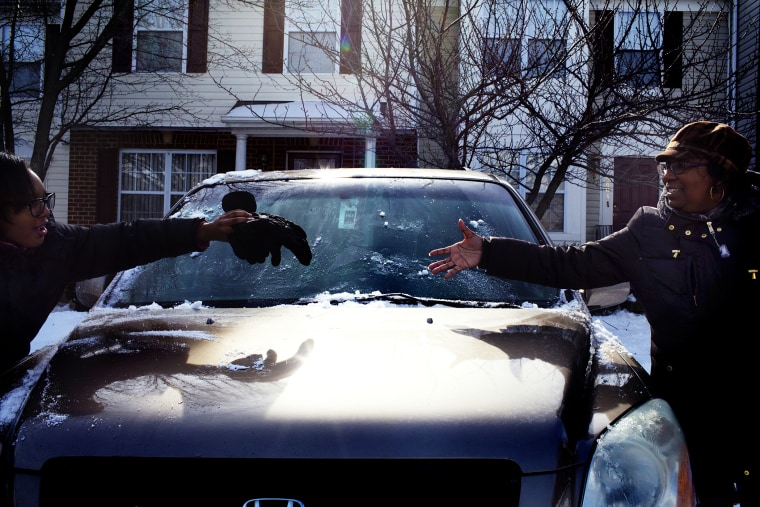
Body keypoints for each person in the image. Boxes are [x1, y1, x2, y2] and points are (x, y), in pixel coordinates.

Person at [428, 121, 758, 507]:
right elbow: (570, 264)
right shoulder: (649, 231)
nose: (667, 174)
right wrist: (489, 252)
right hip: (688, 421)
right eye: (665, 165)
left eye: (681, 165)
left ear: (721, 174)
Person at [0, 152, 309, 374]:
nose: (45, 213)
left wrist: (205, 231)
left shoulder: (52, 247)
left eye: (45, 200)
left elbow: (128, 240)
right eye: (33, 205)